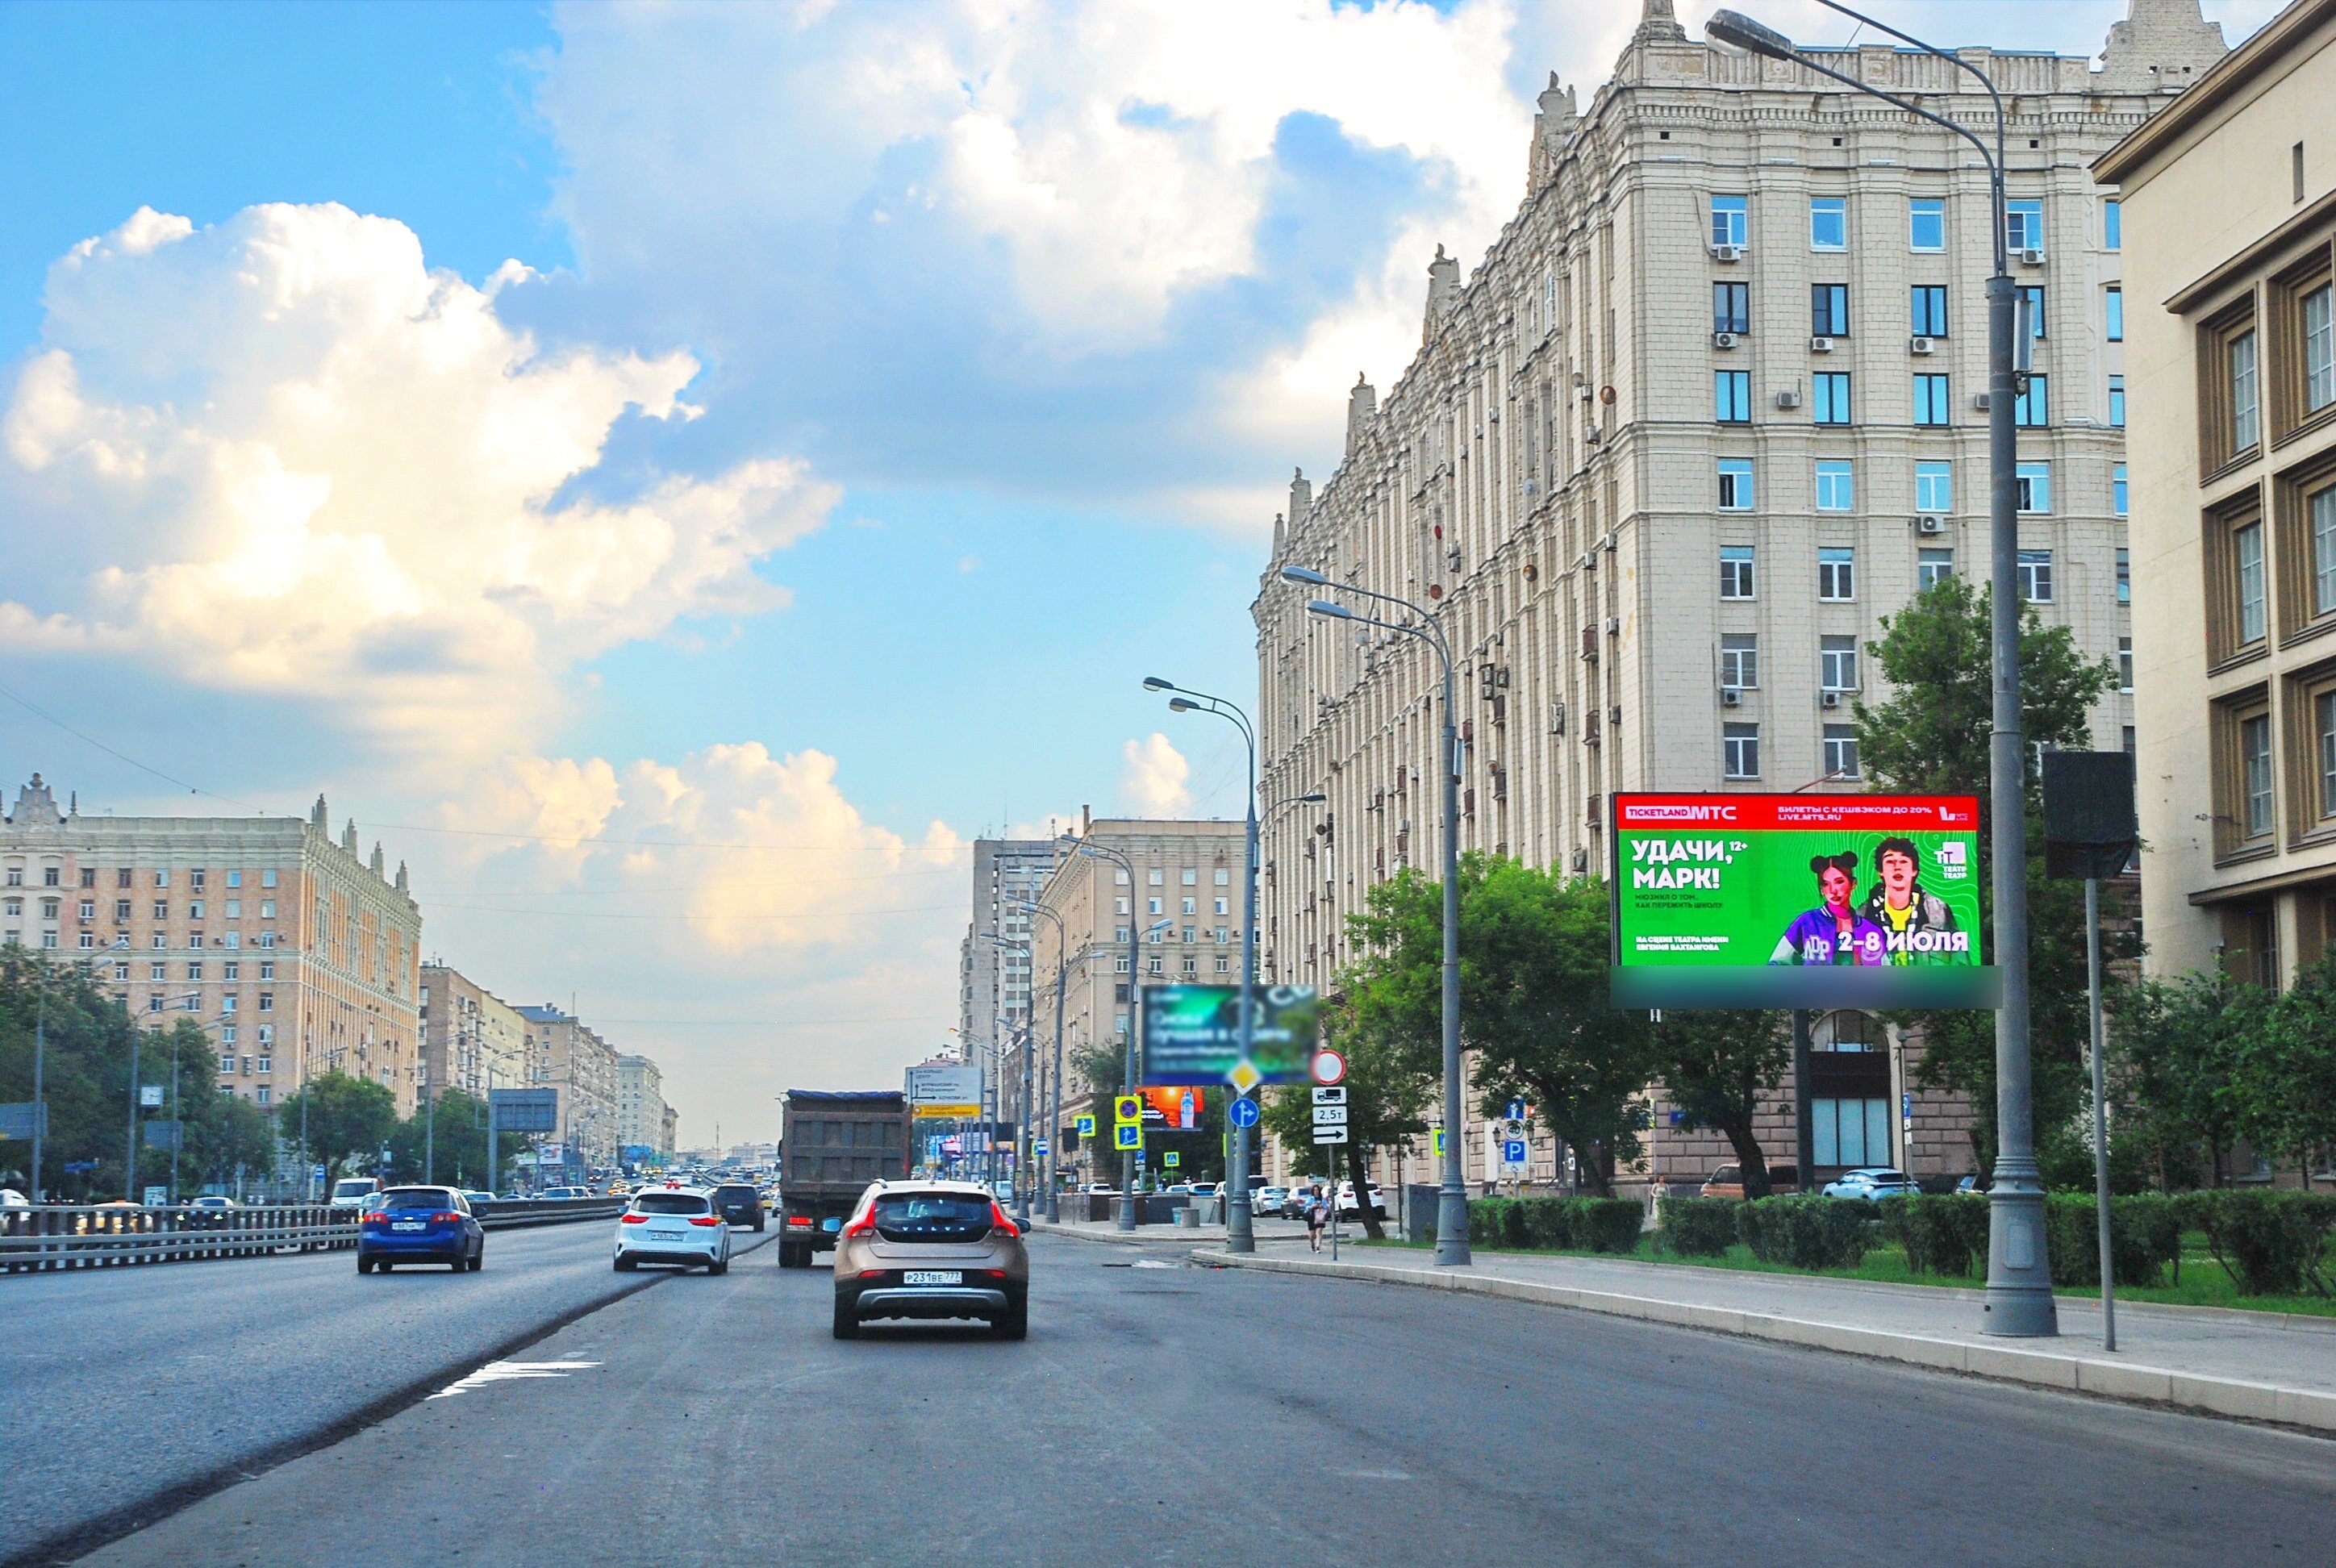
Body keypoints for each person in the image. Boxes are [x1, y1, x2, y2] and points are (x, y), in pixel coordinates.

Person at [1768, 852, 1886, 966]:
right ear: (1821, 889)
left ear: (1853, 883)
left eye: (1839, 882)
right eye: (1825, 884)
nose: (1832, 890)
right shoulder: (1807, 923)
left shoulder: (1870, 929)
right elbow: (1777, 963)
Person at [1858, 836, 1962, 963]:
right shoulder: (1864, 915)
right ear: (1881, 871)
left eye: (1903, 861)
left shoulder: (1938, 911)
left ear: (1914, 871)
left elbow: (1960, 960)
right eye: (1890, 862)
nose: (1897, 867)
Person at [1305, 1186, 1329, 1252]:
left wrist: (1322, 1206)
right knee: (1312, 1234)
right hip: (1312, 1217)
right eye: (1315, 1190)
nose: (1316, 1191)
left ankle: (1318, 1246)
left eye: (1317, 1190)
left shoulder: (1323, 1199)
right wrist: (1312, 1206)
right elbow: (1307, 1208)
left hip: (1320, 1217)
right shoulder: (1310, 1199)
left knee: (1319, 1232)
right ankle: (1312, 1244)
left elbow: (1326, 1206)